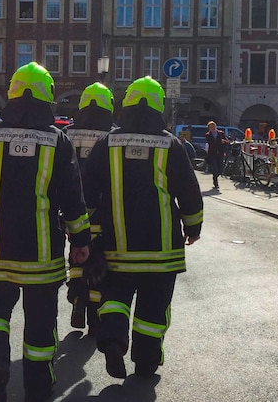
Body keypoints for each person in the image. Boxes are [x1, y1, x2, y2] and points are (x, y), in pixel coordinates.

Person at [0, 62, 91, 402]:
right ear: (47, 97)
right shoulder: (58, 141)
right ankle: (38, 386)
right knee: (40, 323)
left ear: (12, 93)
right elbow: (73, 197)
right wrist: (81, 243)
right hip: (43, 256)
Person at [82, 76, 203, 379]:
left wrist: (84, 229)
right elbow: (189, 192)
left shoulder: (107, 142)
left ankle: (112, 341)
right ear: (159, 106)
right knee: (153, 309)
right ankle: (146, 362)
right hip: (161, 251)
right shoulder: (171, 145)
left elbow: (87, 189)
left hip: (117, 246)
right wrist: (193, 226)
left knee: (114, 297)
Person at [64, 82, 114, 336]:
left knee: (75, 253)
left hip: (71, 209)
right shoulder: (113, 136)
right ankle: (94, 313)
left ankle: (76, 298)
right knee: (97, 260)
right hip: (102, 210)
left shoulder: (67, 135)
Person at [205, 120, 229, 189]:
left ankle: (216, 176)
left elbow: (227, 142)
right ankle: (215, 182)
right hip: (212, 154)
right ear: (209, 128)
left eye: (214, 126)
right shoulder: (208, 135)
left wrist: (224, 141)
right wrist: (219, 141)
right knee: (215, 168)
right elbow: (211, 143)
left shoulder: (221, 133)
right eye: (211, 127)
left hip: (220, 153)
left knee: (220, 169)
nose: (212, 128)